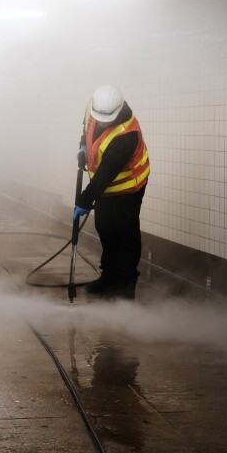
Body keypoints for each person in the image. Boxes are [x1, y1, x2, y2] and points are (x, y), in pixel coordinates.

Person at [73, 84, 150, 300]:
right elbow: (86, 129)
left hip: (128, 187)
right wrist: (83, 147)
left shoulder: (127, 134)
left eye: (108, 119)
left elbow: (106, 173)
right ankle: (109, 276)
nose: (103, 122)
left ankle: (126, 284)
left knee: (125, 232)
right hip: (104, 188)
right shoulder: (93, 106)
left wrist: (85, 200)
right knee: (105, 227)